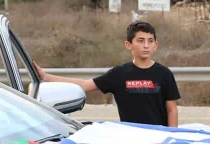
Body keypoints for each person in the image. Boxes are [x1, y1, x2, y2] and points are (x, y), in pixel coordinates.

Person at [33, 21, 180, 127]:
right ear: (129, 45)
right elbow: (85, 85)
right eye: (140, 41)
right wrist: (46, 77)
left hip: (160, 137)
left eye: (150, 41)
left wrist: (172, 137)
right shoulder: (119, 74)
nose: (146, 45)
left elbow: (172, 109)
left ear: (156, 45)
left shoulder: (164, 74)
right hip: (130, 138)